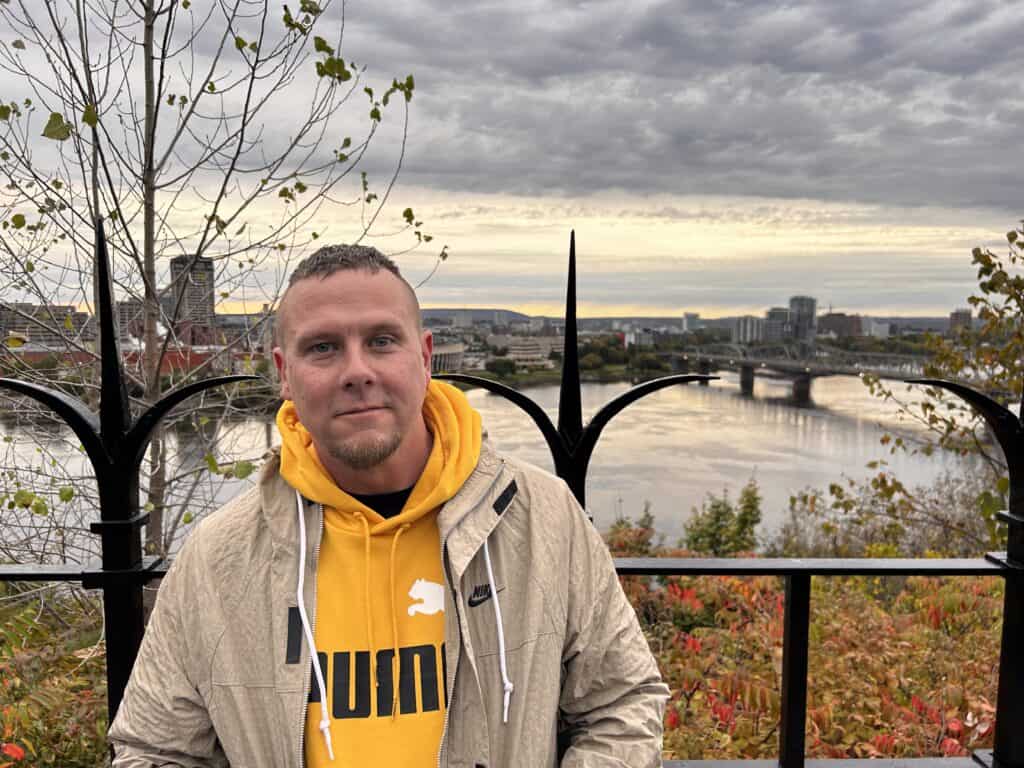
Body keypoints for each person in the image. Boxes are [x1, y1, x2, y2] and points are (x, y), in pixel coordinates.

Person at [108, 244, 668, 767]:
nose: (357, 371)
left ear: (424, 358)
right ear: (284, 372)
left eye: (381, 340)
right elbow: (152, 748)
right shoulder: (219, 558)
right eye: (323, 347)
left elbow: (623, 704)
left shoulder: (543, 517)